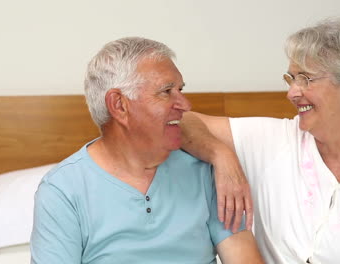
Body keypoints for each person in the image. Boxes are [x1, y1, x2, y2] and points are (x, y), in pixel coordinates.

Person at [181, 17, 340, 264]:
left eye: (306, 79)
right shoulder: (271, 140)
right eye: (291, 78)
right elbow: (179, 121)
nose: (291, 92)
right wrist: (222, 155)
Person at [30, 37, 263, 264]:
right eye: (166, 91)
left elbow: (243, 257)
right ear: (119, 105)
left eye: (180, 89)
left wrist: (221, 154)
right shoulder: (63, 190)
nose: (185, 105)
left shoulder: (204, 172)